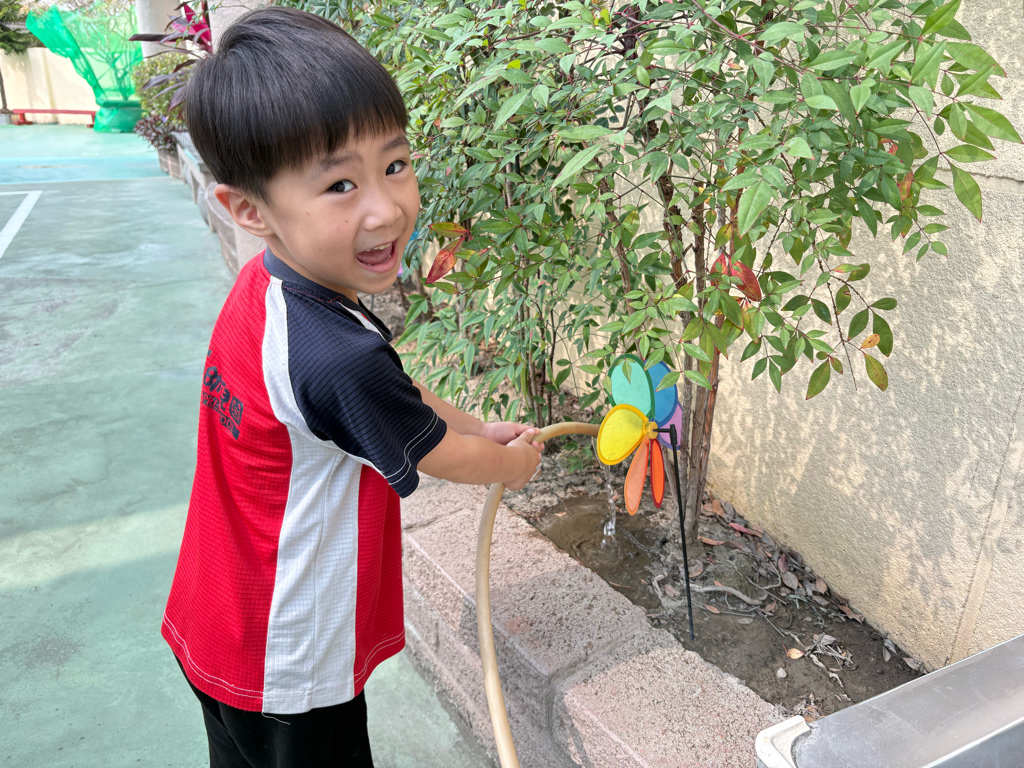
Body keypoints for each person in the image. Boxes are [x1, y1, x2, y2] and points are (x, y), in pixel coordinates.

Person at [161, 7, 542, 767]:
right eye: (340, 183)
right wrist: (511, 462)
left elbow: (393, 394)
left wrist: (478, 423)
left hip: (217, 618)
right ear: (248, 210)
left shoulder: (270, 289)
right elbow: (433, 451)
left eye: (395, 164)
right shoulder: (336, 356)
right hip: (289, 660)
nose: (386, 207)